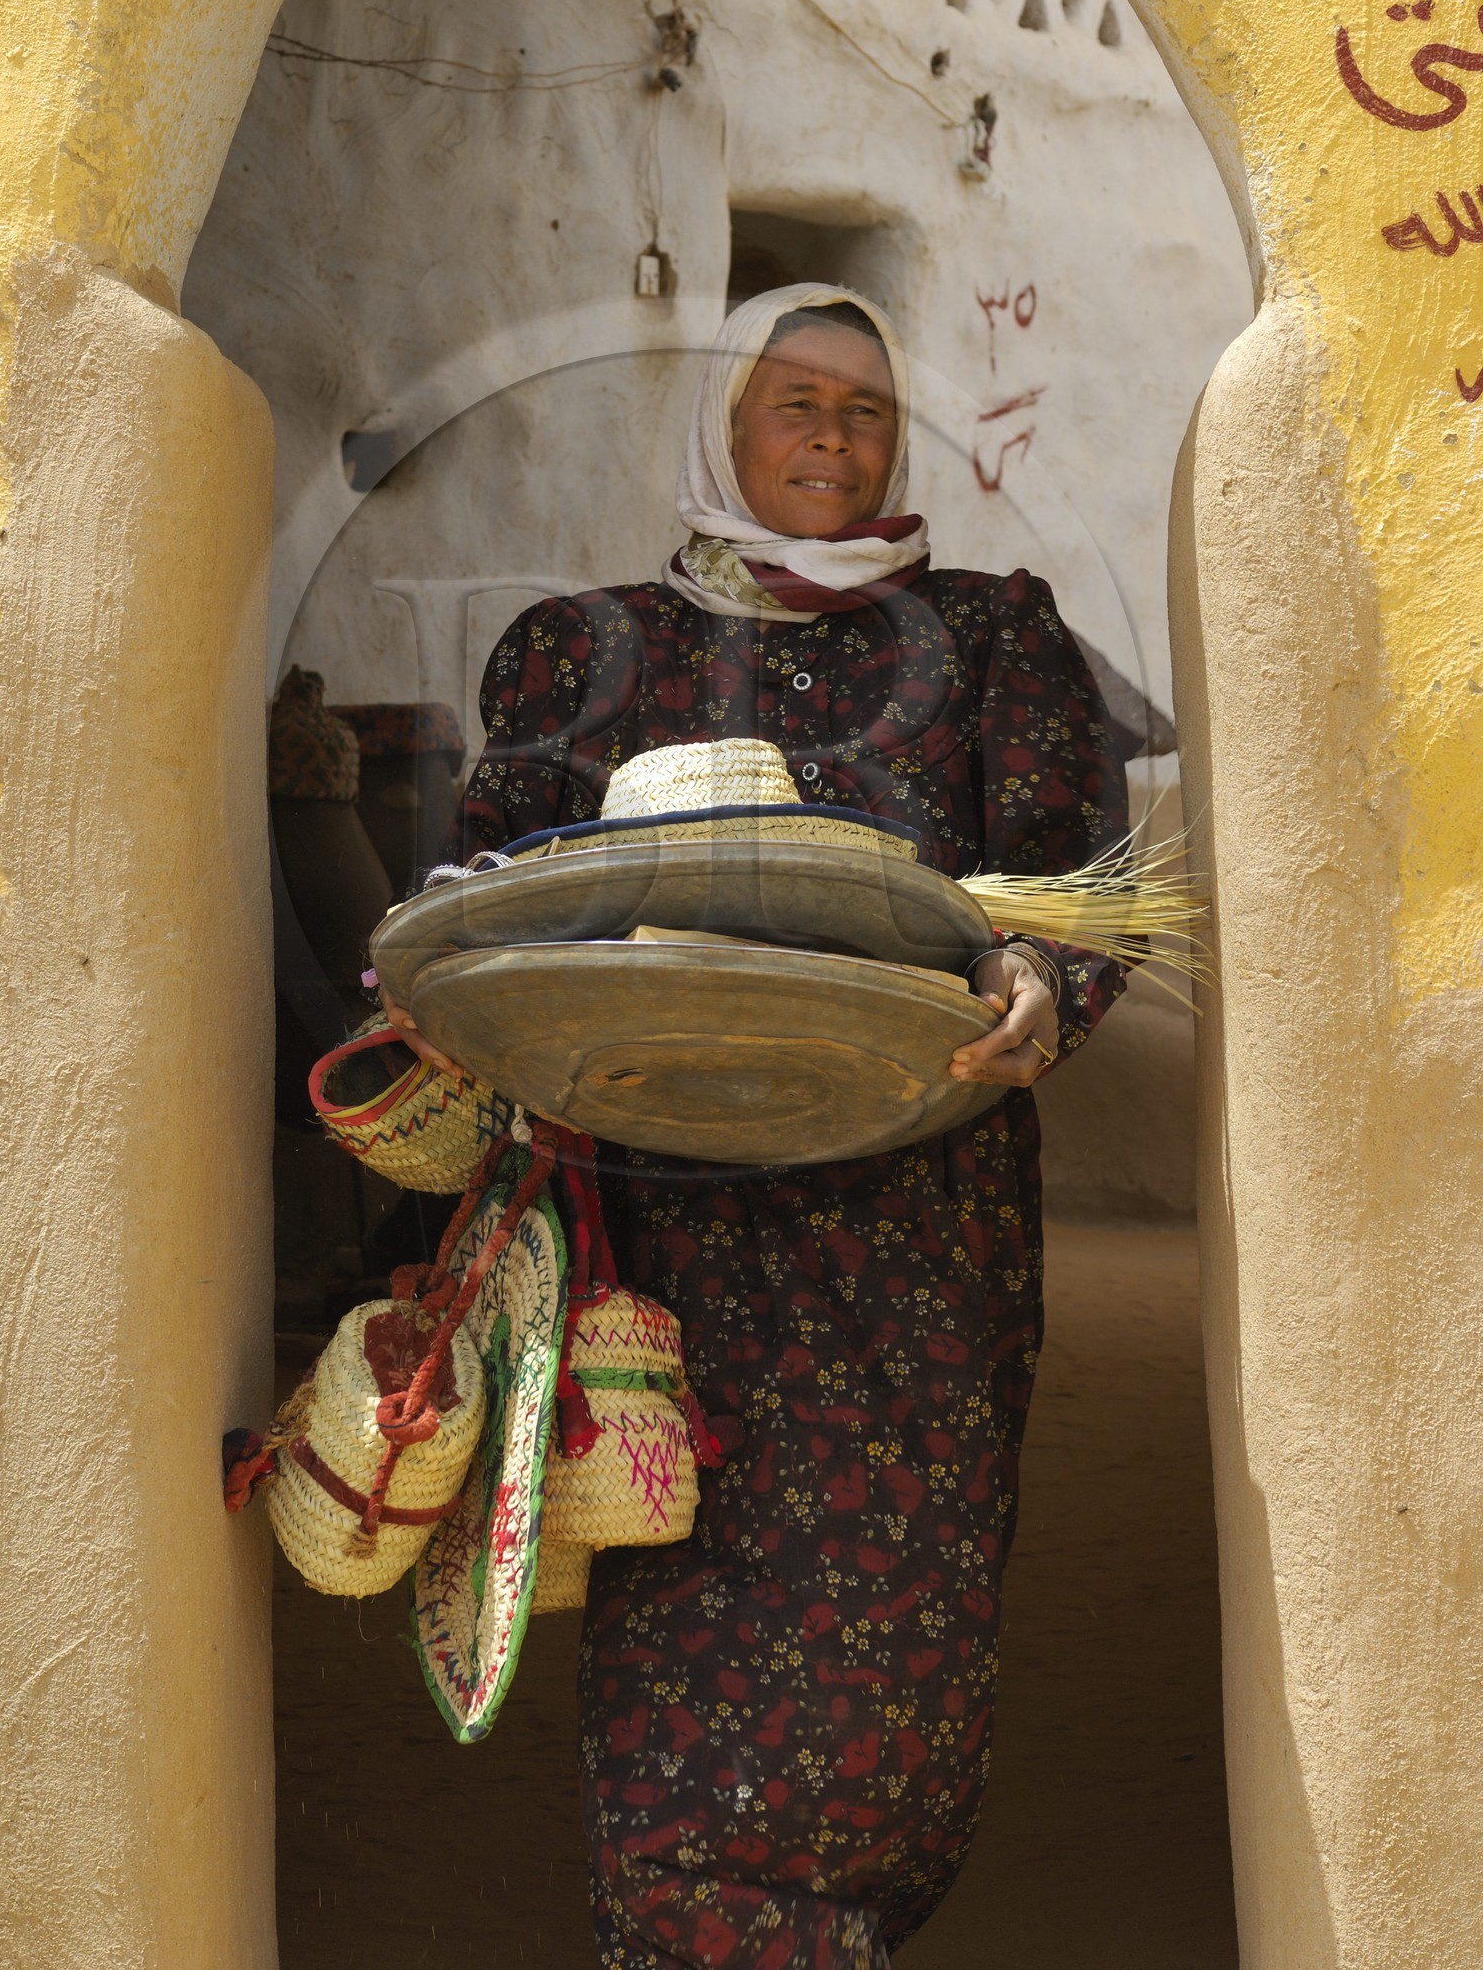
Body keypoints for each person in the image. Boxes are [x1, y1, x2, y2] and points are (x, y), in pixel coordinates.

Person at [383, 283, 1128, 1968]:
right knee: (677, 1570)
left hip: (926, 1216)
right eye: (792, 400)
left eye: (864, 410)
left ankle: (853, 1913)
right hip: (680, 1218)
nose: (831, 435)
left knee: (914, 1620)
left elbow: (1073, 883)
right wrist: (461, 989)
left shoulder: (999, 635)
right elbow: (495, 869)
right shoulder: (597, 644)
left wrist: (1041, 989)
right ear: (724, 425)